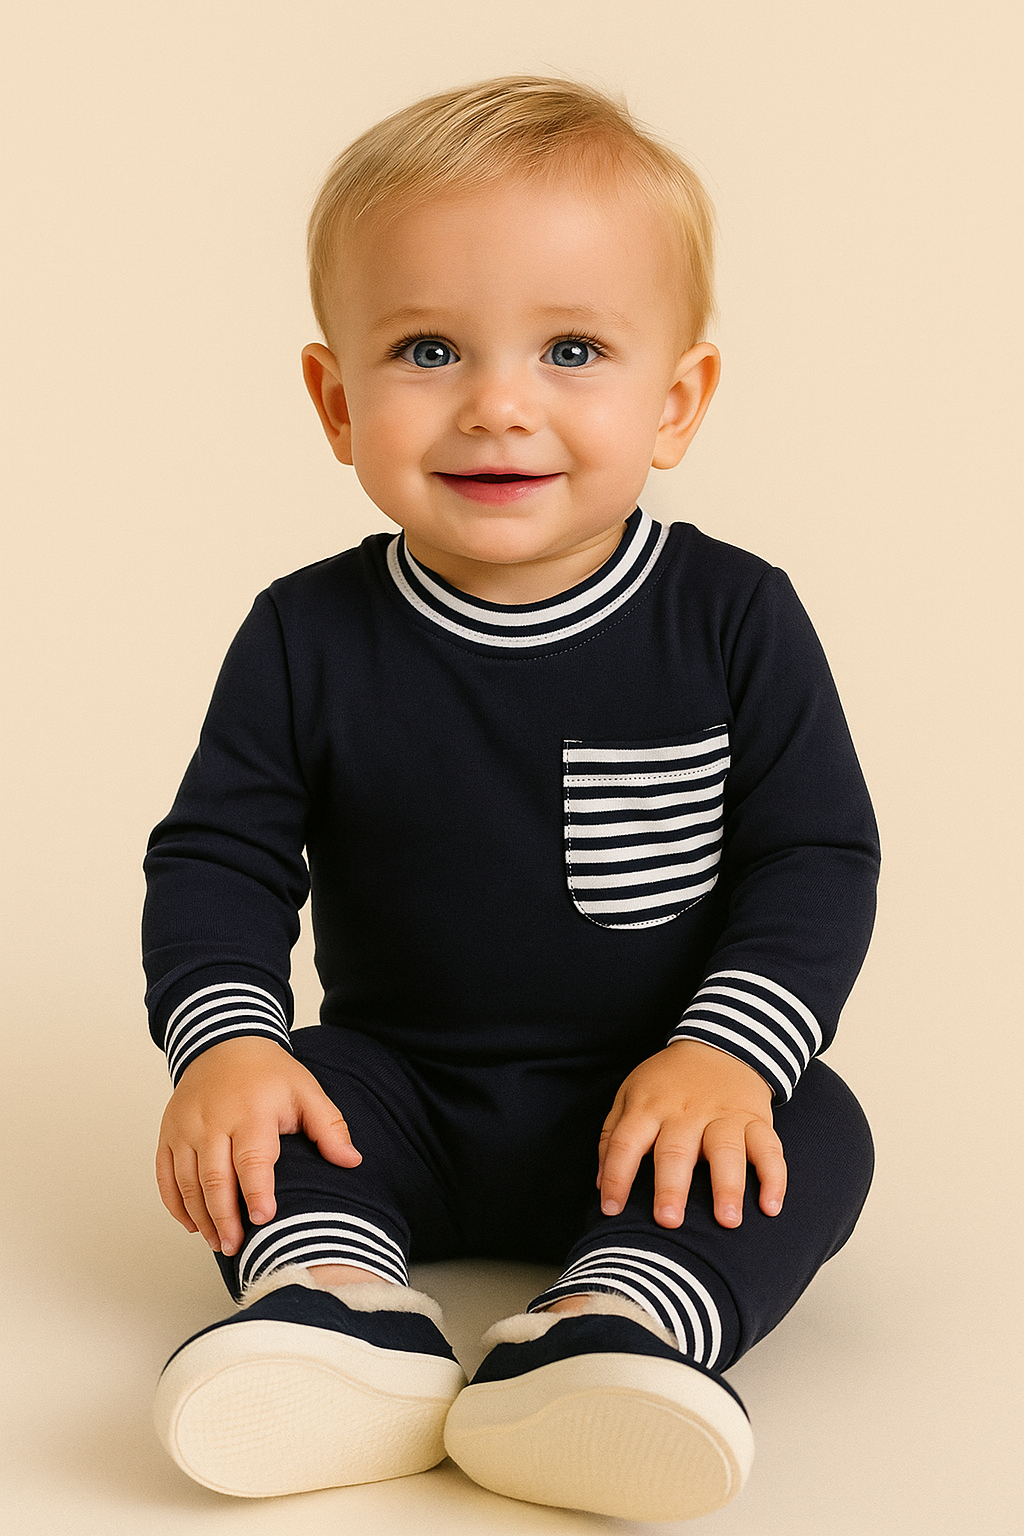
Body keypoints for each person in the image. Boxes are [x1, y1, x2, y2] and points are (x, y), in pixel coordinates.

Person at [143, 76, 878, 1521]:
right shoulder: (306, 634)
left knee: (818, 1127)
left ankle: (619, 1324)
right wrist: (219, 1046)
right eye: (428, 348)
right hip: (393, 1090)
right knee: (272, 1110)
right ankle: (336, 1305)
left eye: (572, 348)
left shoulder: (734, 620)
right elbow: (218, 857)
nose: (497, 403)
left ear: (675, 403)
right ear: (334, 398)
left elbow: (815, 854)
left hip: (652, 1087)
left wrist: (726, 1056)